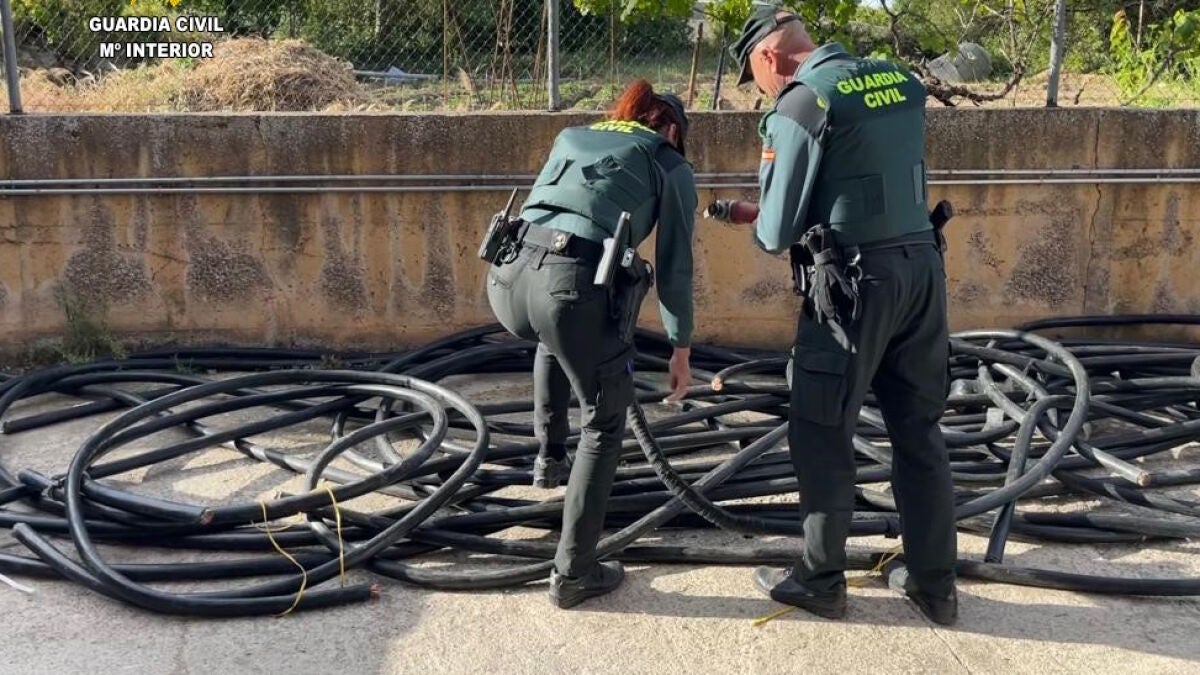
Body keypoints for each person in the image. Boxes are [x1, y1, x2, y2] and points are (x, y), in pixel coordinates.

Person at [701, 4, 958, 625]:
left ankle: (819, 579)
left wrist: (757, 217)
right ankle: (935, 587)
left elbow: (776, 232)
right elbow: (862, 170)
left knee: (820, 429)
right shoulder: (897, 79)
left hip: (853, 288)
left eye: (757, 77)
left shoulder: (801, 103)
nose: (762, 90)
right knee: (918, 430)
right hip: (921, 271)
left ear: (769, 56)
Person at [485, 79, 698, 609]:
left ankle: (550, 459)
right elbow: (674, 267)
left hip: (506, 279)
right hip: (567, 292)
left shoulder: (573, 135)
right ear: (672, 129)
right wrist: (680, 346)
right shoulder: (668, 162)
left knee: (554, 341)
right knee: (604, 423)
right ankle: (575, 572)